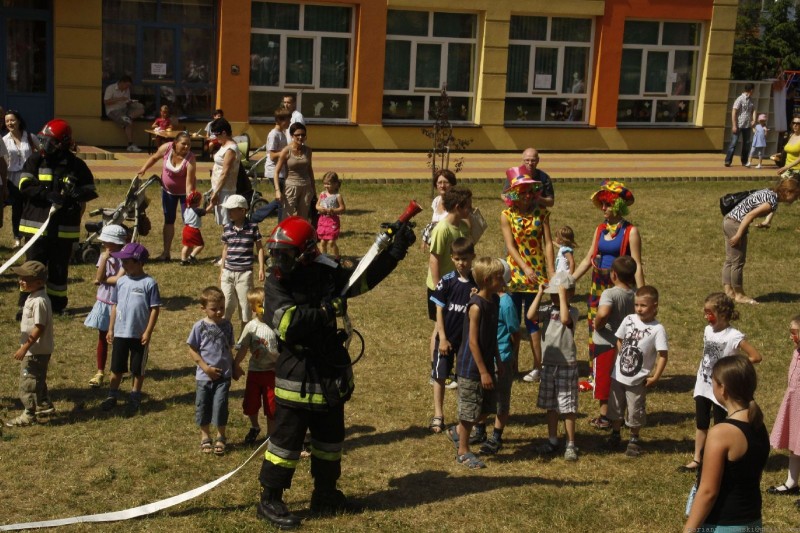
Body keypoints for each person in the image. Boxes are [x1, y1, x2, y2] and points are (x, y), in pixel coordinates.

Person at [256, 215, 415, 528]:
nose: (278, 261)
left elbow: (362, 278)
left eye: (285, 254)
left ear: (307, 251)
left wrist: (395, 251)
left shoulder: (327, 270)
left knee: (330, 440)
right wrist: (327, 310)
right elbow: (288, 325)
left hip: (329, 373)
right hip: (297, 373)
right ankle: (270, 499)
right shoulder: (276, 282)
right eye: (275, 253)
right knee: (285, 444)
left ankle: (325, 493)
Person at [18, 119, 98, 316]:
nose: (45, 145)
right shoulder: (35, 160)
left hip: (63, 228)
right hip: (37, 226)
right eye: (43, 140)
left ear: (62, 143)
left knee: (59, 268)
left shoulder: (75, 165)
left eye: (50, 141)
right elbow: (24, 185)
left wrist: (76, 194)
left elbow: (90, 189)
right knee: (32, 267)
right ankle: (26, 306)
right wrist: (46, 194)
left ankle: (56, 306)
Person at [683, 356, 770, 532]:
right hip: (752, 522)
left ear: (723, 389)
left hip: (722, 524)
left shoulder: (721, 433)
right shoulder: (758, 425)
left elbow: (708, 492)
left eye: (713, 382)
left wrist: (688, 530)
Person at [573, 180, 643, 388]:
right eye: (602, 204)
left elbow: (637, 264)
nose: (603, 208)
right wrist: (570, 280)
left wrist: (641, 294)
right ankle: (596, 375)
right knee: (595, 327)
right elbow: (589, 258)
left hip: (620, 286)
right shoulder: (600, 229)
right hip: (598, 283)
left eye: (608, 204)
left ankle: (622, 371)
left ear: (618, 205)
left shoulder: (630, 231)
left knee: (621, 329)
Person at [682, 293, 762, 473]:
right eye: (705, 312)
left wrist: (734, 367)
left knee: (720, 425)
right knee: (701, 423)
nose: (706, 316)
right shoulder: (707, 330)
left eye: (709, 313)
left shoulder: (733, 336)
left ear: (723, 314)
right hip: (703, 384)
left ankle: (719, 459)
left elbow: (756, 356)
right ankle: (697, 459)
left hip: (721, 389)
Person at [447, 257, 504, 469]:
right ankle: (463, 451)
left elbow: (492, 335)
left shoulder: (494, 301)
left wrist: (498, 359)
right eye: (499, 277)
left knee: (487, 406)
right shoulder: (476, 307)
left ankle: (457, 431)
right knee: (469, 411)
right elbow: (472, 342)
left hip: (487, 364)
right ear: (487, 280)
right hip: (471, 368)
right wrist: (483, 372)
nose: (503, 281)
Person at [500, 174, 554, 384]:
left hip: (537, 272)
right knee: (512, 320)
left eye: (530, 192)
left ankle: (537, 366)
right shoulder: (506, 215)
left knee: (533, 320)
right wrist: (524, 267)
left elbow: (548, 243)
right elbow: (510, 245)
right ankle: (511, 364)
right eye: (523, 193)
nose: (527, 196)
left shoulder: (542, 213)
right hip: (515, 272)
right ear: (515, 194)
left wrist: (551, 270)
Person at [607, 286, 668, 457]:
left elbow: (663, 355)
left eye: (643, 305)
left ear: (654, 306)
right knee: (615, 407)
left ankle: (634, 440)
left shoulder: (657, 329)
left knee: (635, 410)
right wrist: (621, 356)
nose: (639, 309)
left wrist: (655, 377)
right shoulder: (629, 319)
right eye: (636, 305)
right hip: (618, 375)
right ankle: (615, 434)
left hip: (637, 379)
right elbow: (619, 339)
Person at [101, 243, 161, 416]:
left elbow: (155, 309)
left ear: (139, 262)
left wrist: (147, 332)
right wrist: (111, 329)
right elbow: (114, 305)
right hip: (120, 332)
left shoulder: (149, 283)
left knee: (137, 369)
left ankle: (135, 396)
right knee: (116, 367)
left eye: (127, 262)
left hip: (138, 335)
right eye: (123, 262)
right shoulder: (121, 282)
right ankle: (112, 395)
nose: (124, 265)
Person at [722, 176, 800, 304]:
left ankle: (728, 291)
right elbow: (749, 215)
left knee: (730, 259)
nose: (796, 199)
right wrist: (738, 235)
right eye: (796, 195)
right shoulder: (771, 202)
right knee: (737, 262)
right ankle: (739, 295)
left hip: (728, 220)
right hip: (736, 225)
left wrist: (766, 222)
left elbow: (767, 209)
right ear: (787, 192)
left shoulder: (771, 192)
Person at [528, 272, 580, 461]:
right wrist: (539, 294)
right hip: (548, 364)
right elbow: (530, 315)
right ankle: (552, 440)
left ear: (570, 294)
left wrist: (563, 297)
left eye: (557, 294)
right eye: (553, 294)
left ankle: (570, 444)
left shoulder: (573, 311)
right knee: (551, 406)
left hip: (566, 364)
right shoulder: (547, 310)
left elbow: (565, 319)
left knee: (568, 406)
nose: (554, 298)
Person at [428, 237, 476, 434]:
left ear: (473, 257)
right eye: (457, 259)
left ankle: (464, 417)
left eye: (464, 259)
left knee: (465, 379)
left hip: (467, 341)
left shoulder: (477, 282)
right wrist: (442, 338)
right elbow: (439, 311)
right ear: (452, 258)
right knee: (440, 376)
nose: (461, 263)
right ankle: (438, 415)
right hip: (446, 339)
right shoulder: (446, 282)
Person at [589, 256, 636, 430]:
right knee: (620, 380)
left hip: (606, 343)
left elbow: (603, 313)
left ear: (613, 274)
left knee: (604, 381)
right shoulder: (635, 294)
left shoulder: (609, 293)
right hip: (626, 344)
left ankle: (604, 417)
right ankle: (620, 415)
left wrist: (598, 324)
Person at [5, 261, 54, 427]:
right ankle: (44, 404)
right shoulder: (33, 296)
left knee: (28, 381)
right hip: (36, 350)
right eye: (20, 277)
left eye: (25, 278)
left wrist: (25, 347)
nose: (20, 281)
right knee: (37, 377)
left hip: (35, 350)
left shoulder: (39, 301)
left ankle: (29, 414)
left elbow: (39, 327)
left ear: (38, 282)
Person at [187, 286, 234, 456]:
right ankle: (205, 435)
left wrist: (234, 366)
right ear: (203, 308)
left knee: (221, 405)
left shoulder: (227, 325)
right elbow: (192, 349)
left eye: (222, 307)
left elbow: (229, 348)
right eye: (214, 309)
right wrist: (206, 368)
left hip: (223, 375)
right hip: (204, 376)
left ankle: (221, 436)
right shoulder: (199, 326)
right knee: (203, 405)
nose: (219, 312)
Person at [136, 131, 198, 261]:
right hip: (168, 191)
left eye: (189, 144)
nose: (187, 147)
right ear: (175, 143)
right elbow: (154, 158)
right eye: (184, 144)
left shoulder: (191, 158)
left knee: (189, 222)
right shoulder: (167, 148)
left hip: (184, 193)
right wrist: (144, 168)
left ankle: (188, 255)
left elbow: (189, 183)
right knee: (169, 220)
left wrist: (189, 200)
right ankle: (166, 253)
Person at [479, 259, 519, 455]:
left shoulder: (506, 302)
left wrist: (514, 357)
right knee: (483, 397)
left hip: (502, 357)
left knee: (501, 400)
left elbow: (514, 332)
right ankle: (479, 431)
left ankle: (496, 436)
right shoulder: (485, 300)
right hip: (486, 357)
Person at [233, 287, 280, 445]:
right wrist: (236, 364)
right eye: (260, 305)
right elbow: (243, 348)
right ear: (253, 308)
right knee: (251, 404)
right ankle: (255, 427)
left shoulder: (276, 325)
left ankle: (270, 435)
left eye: (267, 304)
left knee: (272, 405)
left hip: (272, 372)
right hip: (255, 372)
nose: (264, 308)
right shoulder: (251, 327)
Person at [84, 225, 127, 388]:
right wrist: (104, 259)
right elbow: (98, 276)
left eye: (107, 242)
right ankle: (100, 371)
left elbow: (117, 279)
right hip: (104, 302)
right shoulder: (104, 256)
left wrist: (102, 279)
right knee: (103, 337)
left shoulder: (126, 258)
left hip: (120, 303)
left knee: (120, 339)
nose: (104, 245)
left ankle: (117, 369)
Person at [767, 314, 800, 499]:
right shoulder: (796, 352)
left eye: (794, 332)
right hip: (794, 405)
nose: (790, 336)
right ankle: (791, 482)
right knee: (795, 445)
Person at [220, 194, 265, 328]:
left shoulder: (252, 227)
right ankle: (224, 333)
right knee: (226, 304)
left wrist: (261, 268)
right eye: (228, 210)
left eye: (232, 210)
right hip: (228, 272)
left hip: (244, 274)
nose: (229, 212)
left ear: (242, 210)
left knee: (245, 307)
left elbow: (260, 248)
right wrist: (222, 270)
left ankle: (244, 336)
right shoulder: (227, 227)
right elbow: (225, 249)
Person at [3, 109, 40, 248]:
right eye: (7, 121)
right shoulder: (4, 140)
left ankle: (31, 236)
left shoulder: (30, 137)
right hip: (12, 179)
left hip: (30, 177)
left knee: (31, 208)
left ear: (18, 121)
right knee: (17, 209)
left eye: (12, 120)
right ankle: (17, 237)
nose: (10, 123)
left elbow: (42, 152)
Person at [273, 122, 315, 220]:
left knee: (303, 217)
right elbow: (276, 172)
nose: (300, 137)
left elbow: (310, 169)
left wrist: (313, 189)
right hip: (291, 187)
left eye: (303, 135)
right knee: (287, 215)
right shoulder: (286, 151)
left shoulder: (308, 150)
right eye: (297, 135)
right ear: (292, 136)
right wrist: (278, 191)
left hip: (306, 186)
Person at [208, 118, 240, 227]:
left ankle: (230, 238)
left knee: (227, 223)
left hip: (225, 190)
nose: (215, 138)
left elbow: (225, 173)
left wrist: (215, 192)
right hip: (219, 188)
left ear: (224, 133)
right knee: (224, 223)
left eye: (217, 135)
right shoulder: (224, 145)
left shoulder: (231, 149)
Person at [103, 75, 145, 152]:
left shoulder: (127, 89)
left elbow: (126, 101)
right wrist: (119, 99)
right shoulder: (111, 88)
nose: (127, 87)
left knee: (141, 109)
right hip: (113, 111)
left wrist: (130, 102)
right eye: (127, 85)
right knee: (129, 123)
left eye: (129, 86)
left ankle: (128, 118)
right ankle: (130, 145)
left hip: (125, 109)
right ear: (122, 83)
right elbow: (106, 102)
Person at [421, 169, 457, 250]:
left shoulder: (456, 203)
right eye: (439, 183)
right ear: (436, 185)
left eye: (446, 182)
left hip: (451, 245)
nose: (442, 186)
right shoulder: (436, 201)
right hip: (437, 245)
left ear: (452, 184)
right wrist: (426, 237)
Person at [724, 83, 757, 167]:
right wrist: (734, 125)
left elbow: (753, 110)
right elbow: (734, 111)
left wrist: (754, 120)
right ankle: (728, 161)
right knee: (733, 143)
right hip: (739, 125)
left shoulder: (751, 100)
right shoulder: (740, 99)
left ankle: (744, 161)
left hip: (747, 125)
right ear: (751, 90)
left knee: (746, 144)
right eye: (753, 90)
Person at [267, 107, 290, 219]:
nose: (289, 122)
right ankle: (258, 215)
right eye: (287, 120)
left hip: (281, 170)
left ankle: (257, 214)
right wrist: (287, 152)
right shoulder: (274, 134)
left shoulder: (282, 133)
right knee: (282, 201)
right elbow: (272, 155)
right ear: (280, 120)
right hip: (274, 171)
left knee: (283, 199)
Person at [316, 171, 346, 258]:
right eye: (325, 184)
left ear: (335, 184)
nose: (326, 186)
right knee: (322, 242)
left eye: (328, 184)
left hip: (332, 221)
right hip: (323, 220)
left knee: (331, 242)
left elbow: (342, 208)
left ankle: (337, 257)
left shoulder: (337, 196)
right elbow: (317, 205)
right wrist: (319, 208)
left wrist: (333, 210)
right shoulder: (322, 194)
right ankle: (324, 258)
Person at [181, 190, 206, 265]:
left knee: (187, 245)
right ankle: (191, 256)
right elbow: (206, 211)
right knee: (200, 245)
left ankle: (183, 260)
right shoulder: (197, 210)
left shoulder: (186, 209)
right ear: (197, 202)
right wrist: (212, 204)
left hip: (186, 229)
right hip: (193, 230)